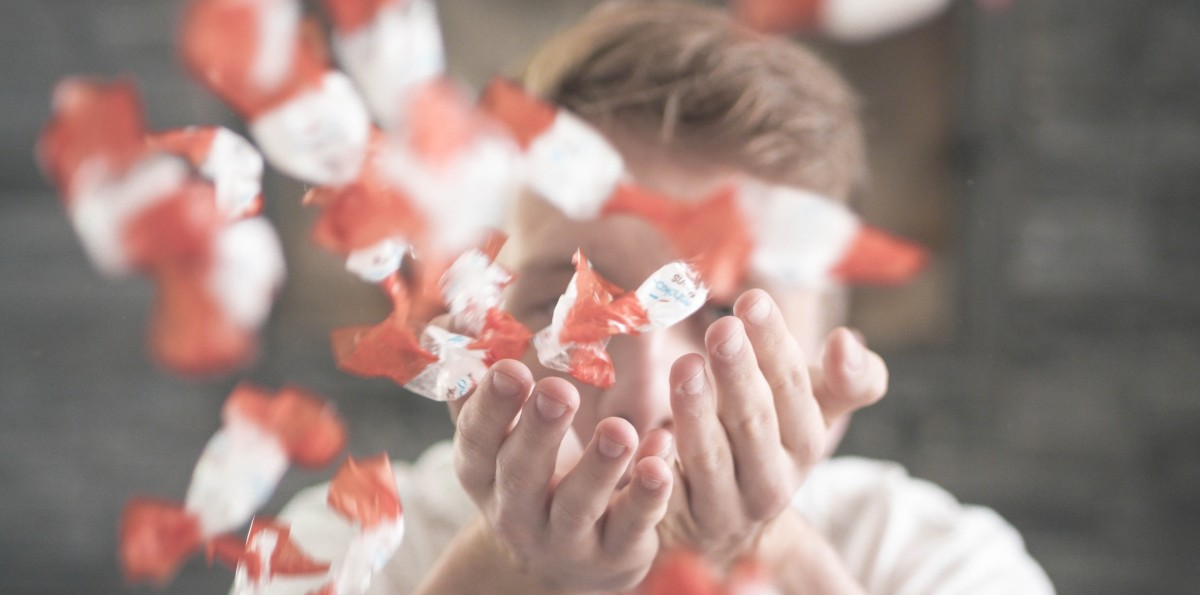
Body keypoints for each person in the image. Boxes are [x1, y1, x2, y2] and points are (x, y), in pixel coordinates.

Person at [277, 3, 1054, 593]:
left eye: (725, 316)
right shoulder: (343, 544)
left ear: (830, 354)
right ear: (479, 321)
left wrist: (768, 550)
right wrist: (503, 571)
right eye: (569, 301)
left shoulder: (939, 562)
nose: (644, 396)